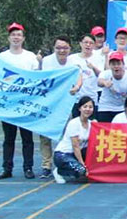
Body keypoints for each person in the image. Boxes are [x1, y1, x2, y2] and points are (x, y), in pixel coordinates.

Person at [0, 22, 39, 180]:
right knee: (9, 138)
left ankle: (28, 168)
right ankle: (7, 168)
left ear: (23, 38)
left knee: (27, 138)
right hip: (8, 104)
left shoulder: (30, 57)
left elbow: (37, 78)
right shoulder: (1, 57)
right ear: (9, 38)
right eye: (13, 34)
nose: (16, 37)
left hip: (25, 103)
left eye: (19, 35)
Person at [38, 36, 82, 178]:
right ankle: (46, 165)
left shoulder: (74, 62)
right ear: (54, 48)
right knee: (45, 136)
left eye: (65, 48)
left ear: (70, 49)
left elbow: (79, 77)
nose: (62, 50)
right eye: (58, 48)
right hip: (48, 103)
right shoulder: (46, 61)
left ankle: (63, 164)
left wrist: (77, 87)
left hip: (65, 104)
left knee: (66, 135)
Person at [52, 96, 94, 184]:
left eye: (90, 107)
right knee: (82, 171)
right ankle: (59, 171)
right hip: (63, 155)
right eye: (85, 107)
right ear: (79, 108)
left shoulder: (91, 124)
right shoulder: (74, 123)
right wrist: (82, 164)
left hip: (76, 155)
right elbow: (75, 146)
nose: (88, 109)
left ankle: (73, 168)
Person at [96, 52, 127, 122]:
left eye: (118, 64)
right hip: (105, 106)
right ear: (109, 65)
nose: (116, 66)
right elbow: (99, 82)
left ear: (123, 64)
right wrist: (105, 83)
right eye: (113, 64)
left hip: (122, 108)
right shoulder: (105, 74)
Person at [71, 34, 104, 114]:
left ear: (94, 45)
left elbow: (102, 76)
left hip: (92, 98)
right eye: (86, 42)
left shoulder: (99, 58)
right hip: (76, 99)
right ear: (80, 43)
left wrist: (93, 68)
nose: (88, 45)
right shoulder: (72, 58)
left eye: (91, 43)